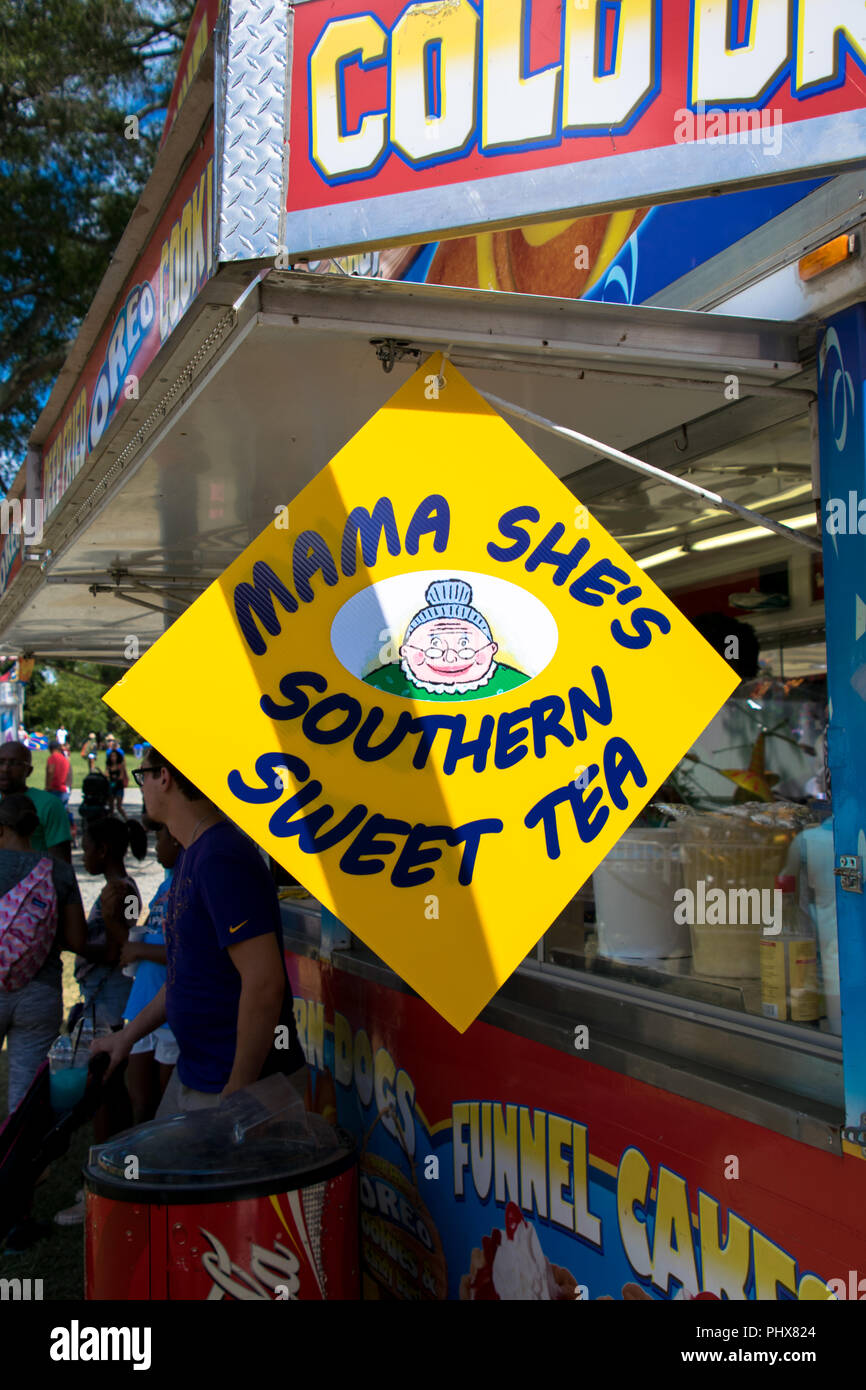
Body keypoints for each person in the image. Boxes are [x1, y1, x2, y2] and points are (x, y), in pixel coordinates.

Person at [92, 748, 307, 1115]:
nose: (138, 785)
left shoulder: (220, 856)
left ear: (165, 777)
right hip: (199, 1075)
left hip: (239, 1087)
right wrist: (126, 1038)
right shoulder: (194, 851)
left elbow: (264, 983)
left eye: (141, 775)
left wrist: (239, 1087)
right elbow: (185, 974)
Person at [0, 794, 87, 1117]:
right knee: (25, 1099)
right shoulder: (59, 872)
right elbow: (78, 939)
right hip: (41, 992)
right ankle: (16, 1165)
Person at [363, 577, 529, 699]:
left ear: (491, 649)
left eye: (465, 646)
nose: (450, 658)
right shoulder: (386, 680)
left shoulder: (512, 683)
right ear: (405, 651)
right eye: (434, 647)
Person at [120, 818, 181, 1123]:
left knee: (167, 1113)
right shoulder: (164, 884)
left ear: (176, 842)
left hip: (170, 1016)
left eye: (160, 840)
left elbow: (190, 954)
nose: (156, 847)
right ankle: (139, 1167)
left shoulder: (187, 885)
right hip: (142, 1003)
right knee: (140, 1104)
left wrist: (140, 949)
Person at [0, 741, 71, 863]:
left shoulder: (49, 805)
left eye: (14, 763)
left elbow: (62, 864)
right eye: (0, 762)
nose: (5, 769)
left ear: (28, 771)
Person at [104, 738, 129, 819]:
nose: (113, 758)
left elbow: (121, 776)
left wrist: (115, 778)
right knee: (111, 806)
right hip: (111, 786)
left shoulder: (120, 765)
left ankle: (127, 819)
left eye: (114, 756)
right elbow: (106, 773)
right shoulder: (109, 765)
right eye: (111, 756)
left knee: (119, 806)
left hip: (118, 786)